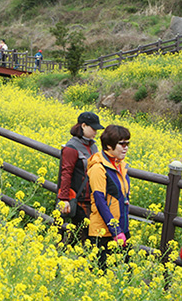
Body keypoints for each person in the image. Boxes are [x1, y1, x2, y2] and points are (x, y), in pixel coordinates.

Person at [87, 124, 131, 270]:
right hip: (104, 233)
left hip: (122, 230)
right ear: (109, 146)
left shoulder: (121, 166)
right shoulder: (98, 168)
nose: (125, 147)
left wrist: (122, 230)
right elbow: (100, 202)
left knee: (125, 275)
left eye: (127, 143)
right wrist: (116, 231)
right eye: (121, 144)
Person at [57, 112, 104, 245]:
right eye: (93, 128)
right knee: (85, 235)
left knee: (79, 234)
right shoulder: (72, 147)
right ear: (83, 126)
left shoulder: (93, 146)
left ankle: (63, 255)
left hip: (92, 199)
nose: (96, 132)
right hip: (78, 200)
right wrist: (64, 199)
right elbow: (66, 174)